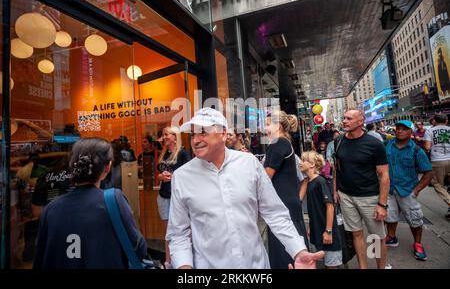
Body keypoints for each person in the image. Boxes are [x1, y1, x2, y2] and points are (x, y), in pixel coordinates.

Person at [167, 107, 324, 269]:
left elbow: (275, 214)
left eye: (203, 132)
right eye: (193, 134)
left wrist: (298, 251)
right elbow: (178, 234)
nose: (195, 140)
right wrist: (184, 267)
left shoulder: (249, 164)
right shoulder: (182, 177)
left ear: (223, 134)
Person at [33, 137, 147, 269]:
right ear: (107, 167)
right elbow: (139, 249)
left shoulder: (50, 209)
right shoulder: (114, 200)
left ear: (73, 166)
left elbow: (40, 260)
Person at [332, 109, 390, 269]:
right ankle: (363, 266)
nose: (344, 121)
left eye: (349, 118)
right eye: (344, 118)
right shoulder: (340, 141)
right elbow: (337, 167)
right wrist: (335, 190)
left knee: (375, 237)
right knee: (356, 234)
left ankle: (380, 267)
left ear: (360, 122)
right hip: (346, 196)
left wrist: (382, 204)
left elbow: (384, 175)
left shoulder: (374, 144)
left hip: (369, 198)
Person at [264, 111, 310, 268]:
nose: (265, 128)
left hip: (282, 207)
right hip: (288, 204)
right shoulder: (283, 143)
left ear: (278, 126)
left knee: (285, 254)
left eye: (268, 124)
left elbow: (265, 178)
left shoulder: (278, 143)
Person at [385, 120, 433, 261]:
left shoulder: (416, 150)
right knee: (390, 216)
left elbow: (428, 173)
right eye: (398, 128)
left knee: (415, 219)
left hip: (407, 190)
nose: (399, 131)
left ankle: (417, 244)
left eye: (404, 129)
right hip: (389, 189)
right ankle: (392, 237)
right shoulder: (388, 145)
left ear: (411, 132)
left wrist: (416, 190)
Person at [299, 151, 342, 269]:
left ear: (312, 164)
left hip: (327, 233)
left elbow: (330, 206)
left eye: (304, 160)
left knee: (331, 265)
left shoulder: (320, 182)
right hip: (317, 232)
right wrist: (311, 227)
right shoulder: (309, 182)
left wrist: (328, 231)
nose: (300, 163)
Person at [156, 126, 192, 267]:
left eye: (167, 135)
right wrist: (161, 176)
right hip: (163, 196)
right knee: (167, 232)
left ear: (175, 136)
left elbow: (190, 174)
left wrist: (174, 176)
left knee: (182, 230)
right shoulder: (164, 154)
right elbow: (158, 176)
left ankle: (184, 262)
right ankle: (168, 262)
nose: (164, 137)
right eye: (163, 135)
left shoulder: (183, 153)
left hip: (177, 197)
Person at [423, 113, 450, 220]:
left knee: (437, 184)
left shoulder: (430, 131)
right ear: (446, 121)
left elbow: (427, 147)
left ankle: (449, 201)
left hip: (438, 161)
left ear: (434, 121)